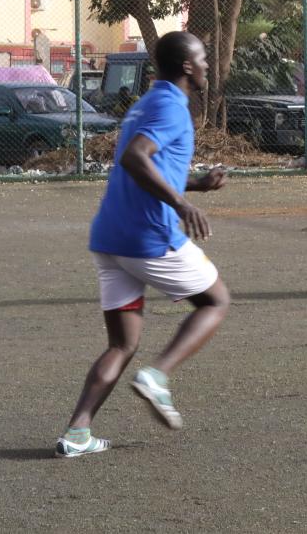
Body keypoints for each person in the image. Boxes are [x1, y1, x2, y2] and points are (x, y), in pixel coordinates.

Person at [56, 31, 233, 458]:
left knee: (121, 343)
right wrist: (181, 202)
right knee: (215, 301)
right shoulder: (172, 107)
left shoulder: (147, 103)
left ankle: (77, 433)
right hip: (147, 236)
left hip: (109, 238)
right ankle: (158, 376)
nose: (208, 64)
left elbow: (147, 163)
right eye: (203, 58)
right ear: (188, 66)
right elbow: (135, 157)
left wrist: (194, 184)